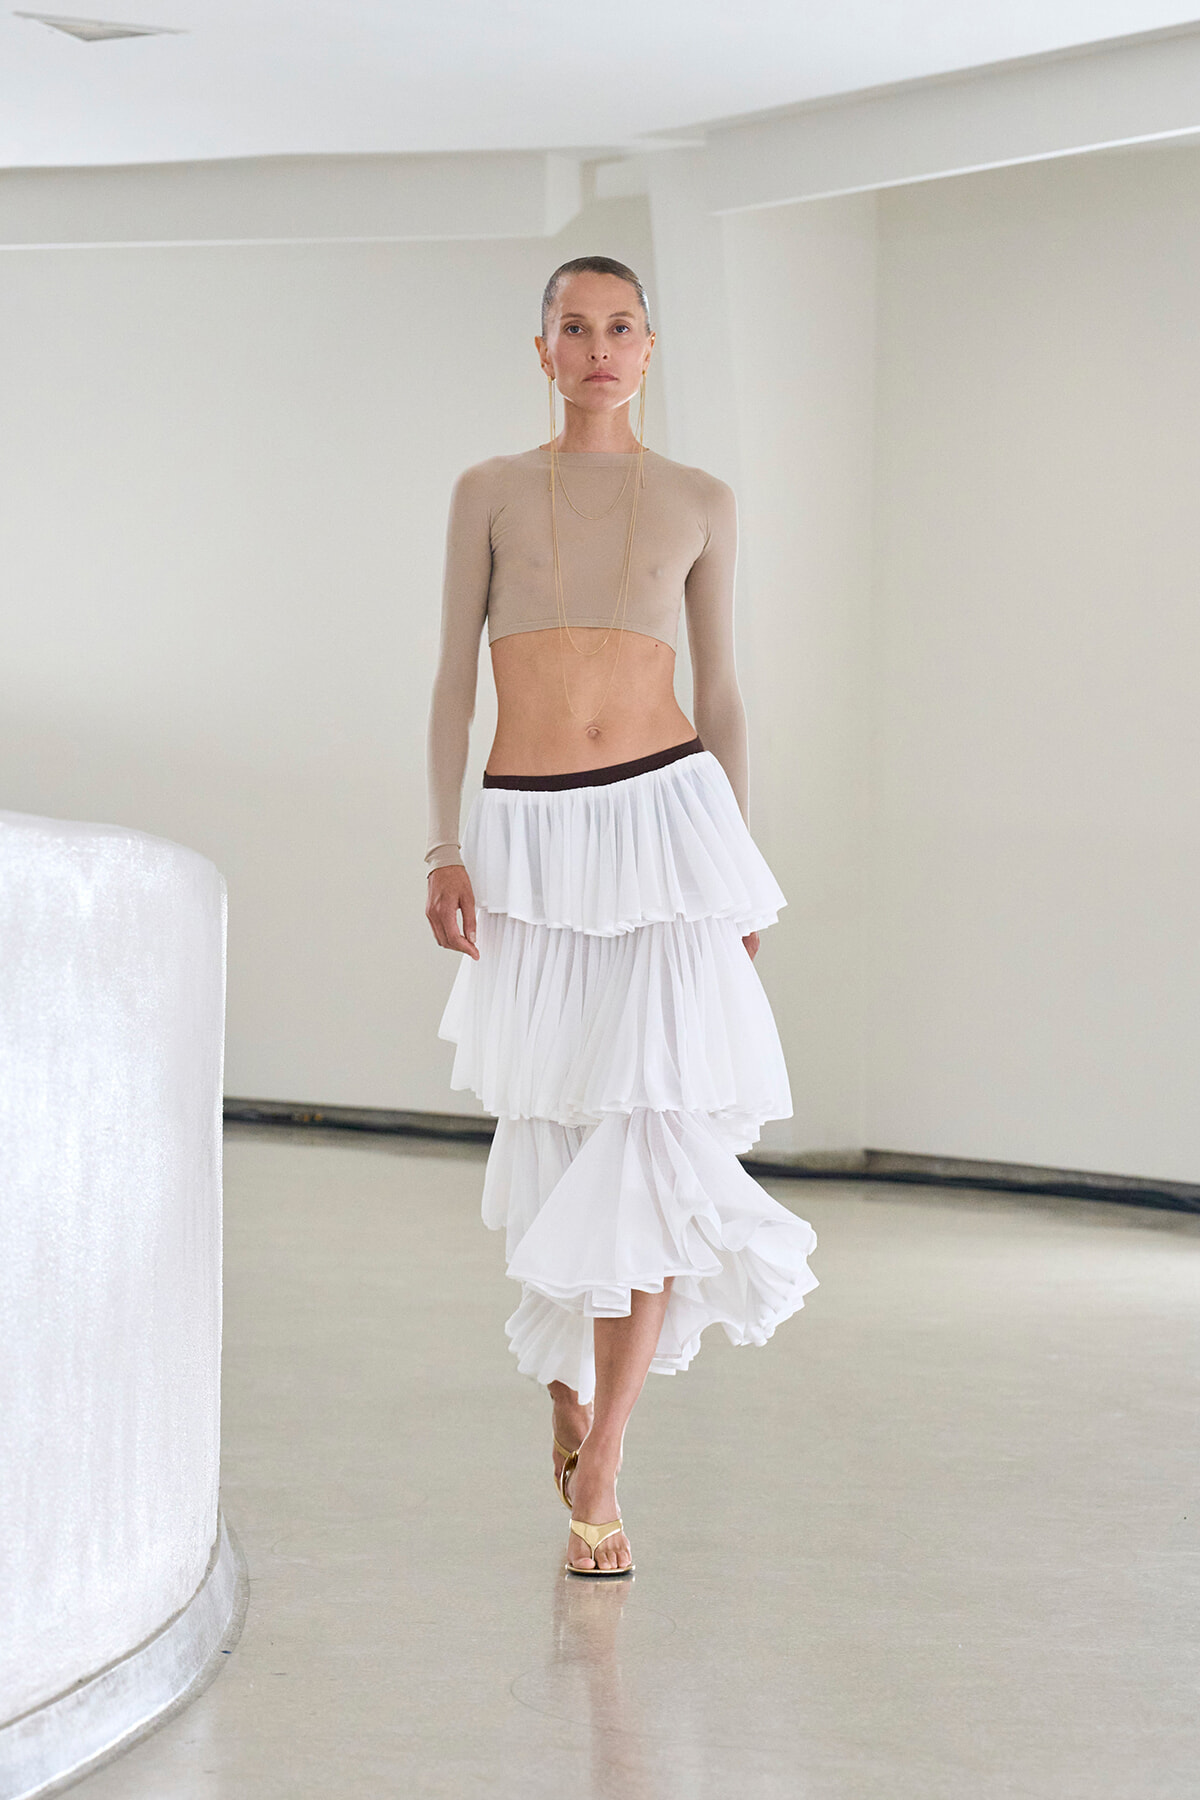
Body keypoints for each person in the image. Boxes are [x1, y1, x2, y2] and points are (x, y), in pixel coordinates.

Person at [424, 255, 817, 1576]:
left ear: (651, 349)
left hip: (669, 825)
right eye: (575, 328)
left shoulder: (700, 499)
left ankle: (606, 1455)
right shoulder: (488, 492)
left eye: (622, 327)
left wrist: (737, 862)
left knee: (655, 1127)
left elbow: (725, 688)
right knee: (560, 1124)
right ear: (542, 349)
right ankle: (569, 1378)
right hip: (529, 833)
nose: (600, 348)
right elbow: (447, 682)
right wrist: (442, 842)